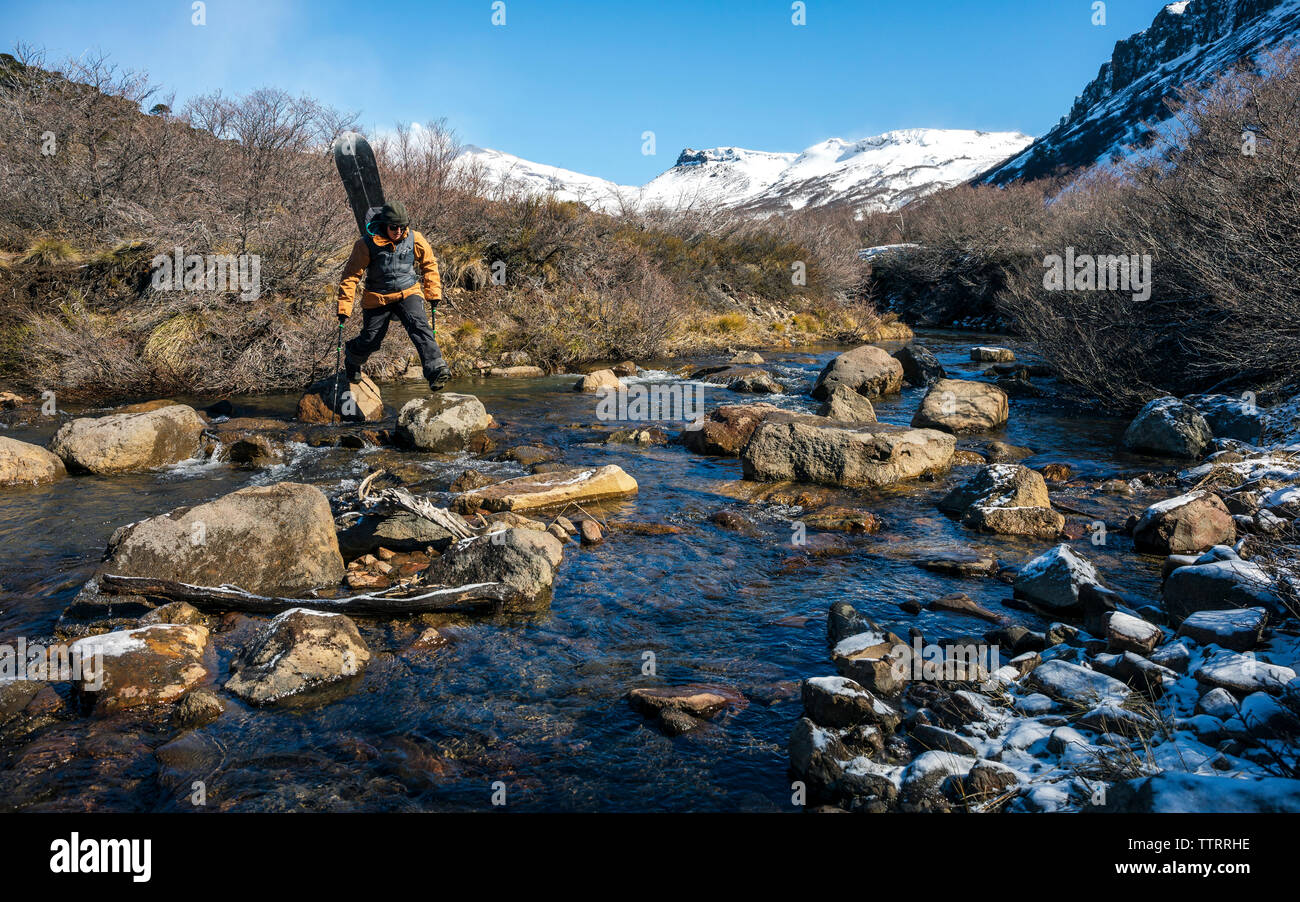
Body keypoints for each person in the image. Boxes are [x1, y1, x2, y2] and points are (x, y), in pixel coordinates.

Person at [336, 201, 451, 391]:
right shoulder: (366, 244)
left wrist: (433, 293)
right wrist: (344, 308)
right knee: (371, 339)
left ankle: (436, 370)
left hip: (408, 291)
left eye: (402, 227)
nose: (398, 231)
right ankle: (353, 357)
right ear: (384, 224)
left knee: (419, 325)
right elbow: (350, 277)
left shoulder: (415, 238)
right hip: (377, 297)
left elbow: (429, 264)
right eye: (393, 227)